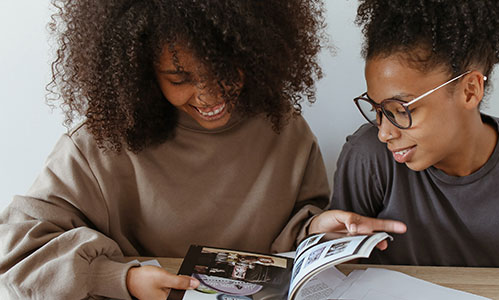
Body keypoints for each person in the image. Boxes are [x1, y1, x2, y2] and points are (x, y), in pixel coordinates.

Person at [0, 1, 405, 299]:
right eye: (180, 77)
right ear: (141, 71)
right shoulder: (99, 146)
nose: (211, 95)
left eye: (223, 70)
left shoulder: (285, 130)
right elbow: (14, 252)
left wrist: (316, 232)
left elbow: (288, 244)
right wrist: (120, 279)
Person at [329, 0, 499, 269]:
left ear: (470, 90)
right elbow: (338, 274)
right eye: (378, 110)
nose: (384, 133)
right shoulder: (368, 158)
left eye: (400, 110)